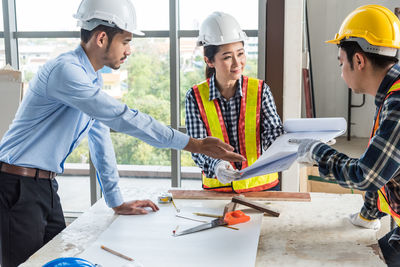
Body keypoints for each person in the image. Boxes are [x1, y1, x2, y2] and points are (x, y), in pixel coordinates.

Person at [0, 1, 245, 266]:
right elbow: (123, 117)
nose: (129, 51)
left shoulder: (90, 78)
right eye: (125, 41)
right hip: (16, 186)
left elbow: (100, 138)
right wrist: (194, 145)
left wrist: (115, 201)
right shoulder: (66, 72)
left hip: (44, 186)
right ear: (102, 38)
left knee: (59, 261)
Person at [292, 4, 400, 265]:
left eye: (341, 63)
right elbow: (384, 162)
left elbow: (367, 174)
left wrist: (317, 152)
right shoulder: (390, 93)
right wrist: (369, 212)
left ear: (359, 60)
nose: (341, 73)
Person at [185, 12, 283, 193]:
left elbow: (273, 133)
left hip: (263, 189)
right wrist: (217, 166)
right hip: (218, 190)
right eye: (227, 57)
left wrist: (293, 146)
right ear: (209, 61)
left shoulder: (261, 91)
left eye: (240, 54)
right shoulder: (195, 97)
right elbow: (198, 146)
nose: (237, 63)